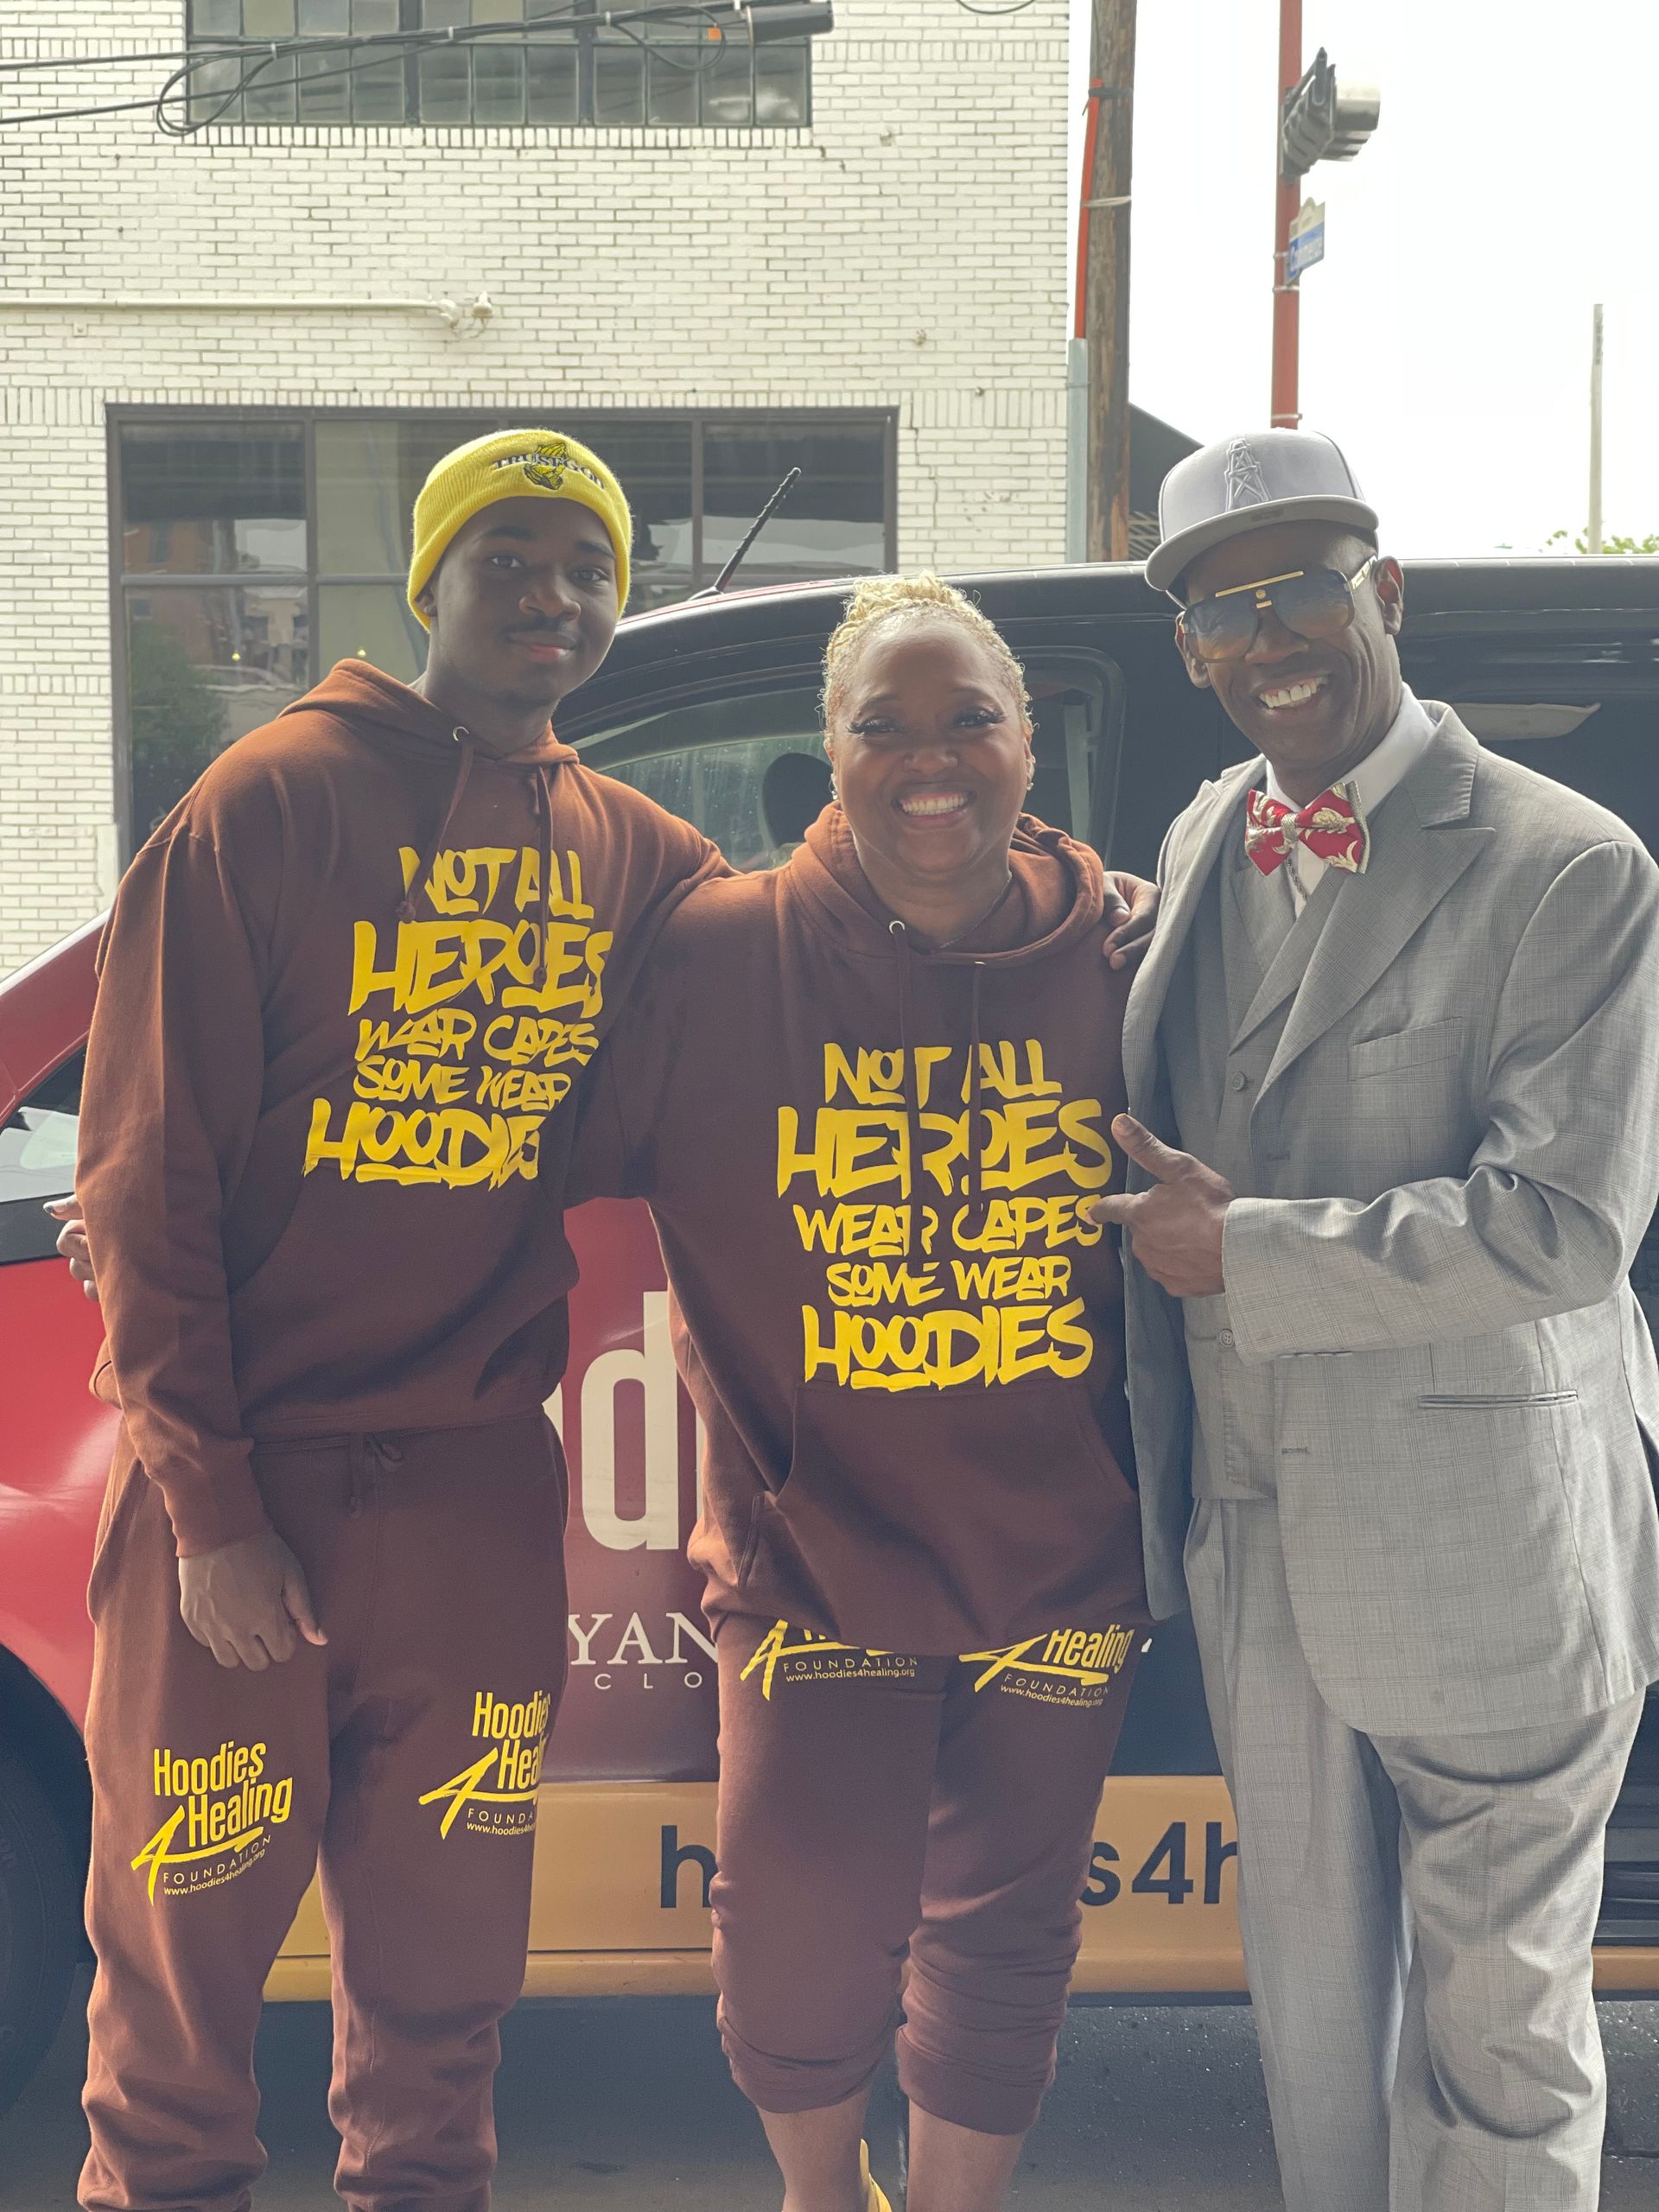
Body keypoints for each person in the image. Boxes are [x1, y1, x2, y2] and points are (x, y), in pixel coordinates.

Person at [67, 428, 729, 2212]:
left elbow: (803, 945)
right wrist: (208, 1507)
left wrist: (1072, 913)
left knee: (446, 1978)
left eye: (586, 561)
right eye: (508, 551)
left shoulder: (629, 847)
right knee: (182, 1967)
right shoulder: (269, 801)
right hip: (247, 1500)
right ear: (427, 581)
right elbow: (143, 1169)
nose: (553, 591)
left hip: (467, 1496)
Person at [1096, 429, 1659, 2211]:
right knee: (1312, 2037)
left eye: (1303, 589)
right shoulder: (1201, 836)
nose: (1269, 637)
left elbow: (1566, 1220)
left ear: (1384, 594)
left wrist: (1245, 1249)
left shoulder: (1569, 867)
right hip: (1261, 1539)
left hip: (1487, 1538)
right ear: (1189, 649)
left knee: (1497, 2046)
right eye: (1221, 610)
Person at [570, 575, 1151, 2212]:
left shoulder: (1130, 953)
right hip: (817, 1554)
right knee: (799, 1938)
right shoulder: (716, 954)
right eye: (881, 725)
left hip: (1068, 1553)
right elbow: (495, 1148)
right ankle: (824, 2198)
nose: (931, 760)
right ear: (822, 752)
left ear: (1029, 738)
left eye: (970, 717)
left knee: (1007, 1931)